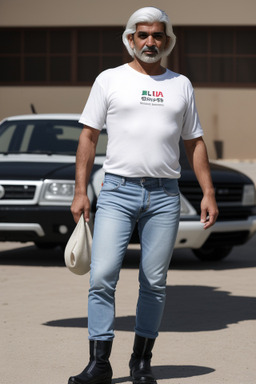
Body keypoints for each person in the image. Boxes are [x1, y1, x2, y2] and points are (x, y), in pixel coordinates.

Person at [69, 6, 218, 384]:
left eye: (157, 35)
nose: (150, 42)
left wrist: (208, 193)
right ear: (130, 38)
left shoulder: (181, 84)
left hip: (165, 196)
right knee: (102, 276)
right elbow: (88, 136)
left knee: (154, 281)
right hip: (117, 191)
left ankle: (141, 362)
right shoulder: (109, 80)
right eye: (142, 35)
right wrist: (80, 191)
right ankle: (99, 364)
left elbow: (194, 142)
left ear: (167, 41)